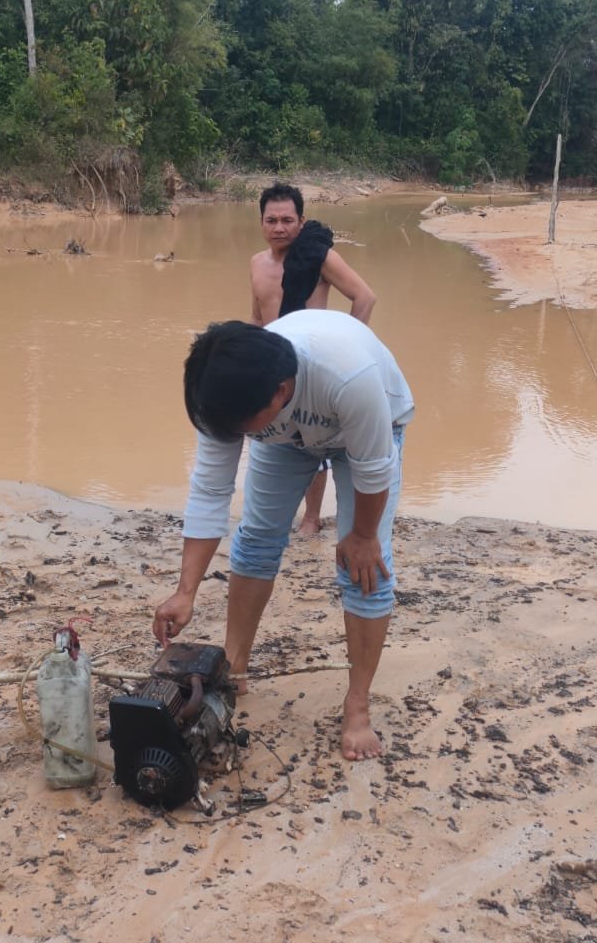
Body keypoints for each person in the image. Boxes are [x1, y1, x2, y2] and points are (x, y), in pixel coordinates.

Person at [152, 311, 414, 760]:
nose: (233, 438)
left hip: (369, 428)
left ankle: (357, 705)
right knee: (255, 540)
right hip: (284, 440)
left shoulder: (349, 377)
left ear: (279, 392)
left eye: (241, 429)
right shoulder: (224, 398)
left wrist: (364, 535)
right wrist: (185, 591)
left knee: (366, 568)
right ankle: (234, 669)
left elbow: (374, 468)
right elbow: (211, 491)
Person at [248, 183, 376, 538]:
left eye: (287, 220)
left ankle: (312, 516)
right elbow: (257, 317)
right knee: (276, 437)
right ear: (261, 223)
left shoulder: (319, 258)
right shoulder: (257, 263)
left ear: (301, 222)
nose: (279, 228)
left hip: (313, 365)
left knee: (312, 439)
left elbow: (365, 297)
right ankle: (273, 514)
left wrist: (347, 346)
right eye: (271, 220)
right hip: (272, 363)